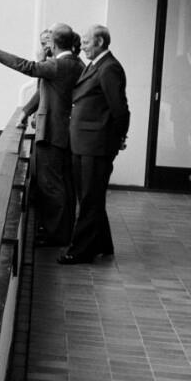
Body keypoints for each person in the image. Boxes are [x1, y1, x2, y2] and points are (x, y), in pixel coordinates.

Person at [0, 24, 85, 246]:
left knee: (51, 186)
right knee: (63, 185)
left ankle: (56, 236)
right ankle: (61, 232)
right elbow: (46, 91)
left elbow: (26, 66)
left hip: (52, 133)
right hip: (65, 133)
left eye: (47, 41)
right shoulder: (76, 63)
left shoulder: (57, 65)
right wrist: (26, 111)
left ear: (53, 43)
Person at [58, 25, 130, 265]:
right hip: (85, 143)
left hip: (96, 145)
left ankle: (80, 251)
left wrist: (117, 139)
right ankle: (103, 243)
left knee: (89, 199)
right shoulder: (95, 65)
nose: (82, 46)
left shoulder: (109, 68)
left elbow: (120, 109)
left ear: (99, 42)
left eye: (87, 42)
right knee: (91, 196)